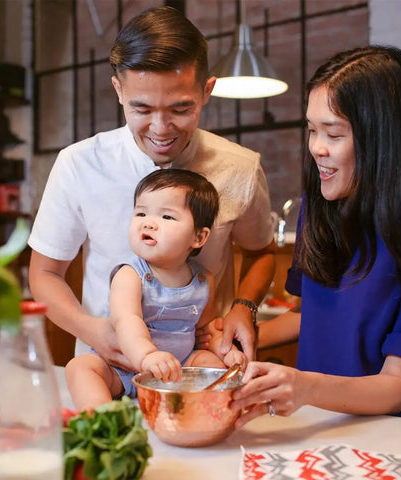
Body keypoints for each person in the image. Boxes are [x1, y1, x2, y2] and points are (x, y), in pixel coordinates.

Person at [28, 6, 275, 371]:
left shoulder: (239, 167)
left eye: (180, 109)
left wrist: (244, 306)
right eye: (141, 109)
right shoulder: (78, 164)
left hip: (201, 372)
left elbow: (262, 253)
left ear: (207, 91)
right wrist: (95, 332)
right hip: (108, 368)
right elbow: (44, 274)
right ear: (119, 90)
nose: (161, 128)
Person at [231, 45, 401, 423]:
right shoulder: (318, 208)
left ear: (384, 139)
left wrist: (304, 387)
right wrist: (242, 331)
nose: (316, 149)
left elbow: (396, 387)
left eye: (333, 134)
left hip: (395, 442)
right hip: (318, 428)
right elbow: (316, 318)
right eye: (311, 130)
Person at [65, 169, 247, 410]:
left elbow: (204, 331)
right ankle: (100, 414)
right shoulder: (130, 274)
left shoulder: (203, 280)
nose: (148, 222)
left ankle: (202, 410)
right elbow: (126, 321)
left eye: (167, 217)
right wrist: (147, 356)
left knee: (211, 365)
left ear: (199, 237)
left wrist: (225, 351)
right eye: (141, 213)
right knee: (81, 367)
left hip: (178, 368)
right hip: (124, 367)